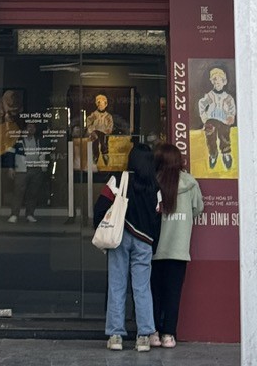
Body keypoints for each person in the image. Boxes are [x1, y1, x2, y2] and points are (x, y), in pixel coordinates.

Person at [94, 141, 161, 352]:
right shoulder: (155, 186)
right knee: (142, 288)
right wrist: (153, 244)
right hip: (145, 242)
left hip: (119, 238)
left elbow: (100, 206)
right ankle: (143, 336)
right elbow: (158, 218)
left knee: (117, 286)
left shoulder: (119, 179)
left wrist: (101, 228)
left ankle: (115, 336)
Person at [149, 143, 203, 348]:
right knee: (173, 294)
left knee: (153, 293)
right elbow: (198, 208)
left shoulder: (153, 183)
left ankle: (153, 332)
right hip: (179, 250)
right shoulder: (190, 183)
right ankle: (168, 335)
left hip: (154, 250)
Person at [197, 66, 236, 171]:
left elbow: (232, 107)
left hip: (224, 120)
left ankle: (226, 153)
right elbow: (201, 104)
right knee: (210, 138)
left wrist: (231, 116)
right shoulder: (210, 96)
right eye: (215, 81)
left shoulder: (228, 97)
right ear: (212, 83)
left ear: (224, 82)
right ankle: (213, 154)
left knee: (224, 136)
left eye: (220, 81)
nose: (217, 83)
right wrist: (204, 116)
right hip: (211, 119)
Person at [87, 93, 115, 168]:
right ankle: (95, 156)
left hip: (104, 133)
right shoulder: (94, 114)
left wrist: (108, 130)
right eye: (99, 105)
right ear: (97, 105)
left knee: (104, 142)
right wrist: (91, 129)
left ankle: (105, 153)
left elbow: (110, 125)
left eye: (102, 105)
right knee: (95, 143)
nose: (101, 107)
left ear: (106, 105)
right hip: (95, 132)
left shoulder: (108, 116)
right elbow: (88, 122)